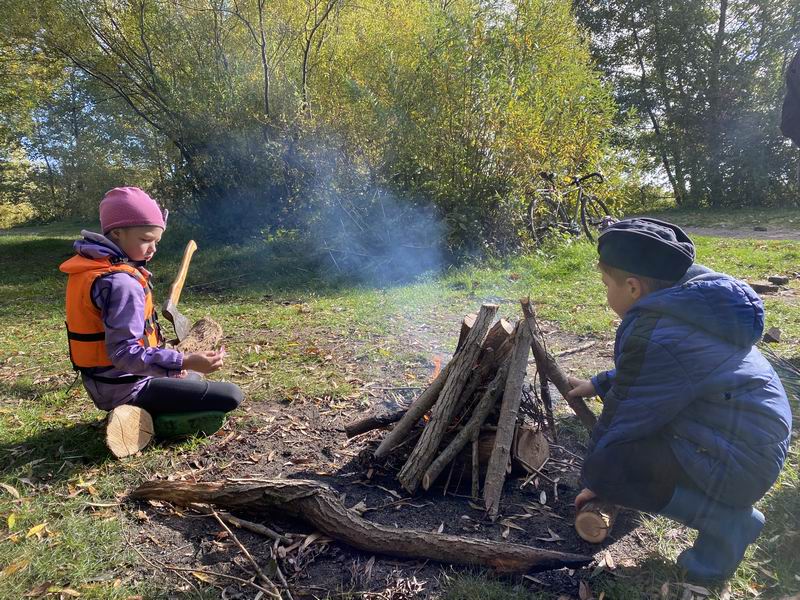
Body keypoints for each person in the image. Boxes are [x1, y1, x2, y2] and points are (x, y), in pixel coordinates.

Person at [567, 218, 791, 583]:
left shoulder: (655, 331)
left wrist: (598, 480)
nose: (606, 292)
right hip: (752, 441)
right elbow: (671, 372)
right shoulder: (693, 302)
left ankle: (728, 525)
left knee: (610, 462)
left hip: (739, 463)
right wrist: (598, 383)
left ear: (633, 287)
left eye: (607, 285)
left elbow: (624, 415)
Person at [61, 187, 242, 458]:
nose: (153, 249)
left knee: (193, 378)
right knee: (230, 395)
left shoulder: (94, 267)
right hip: (126, 387)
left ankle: (163, 399)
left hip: (105, 383)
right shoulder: (121, 283)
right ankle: (156, 423)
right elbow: (124, 353)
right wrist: (185, 361)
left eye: (156, 241)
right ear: (117, 233)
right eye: (146, 239)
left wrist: (178, 366)